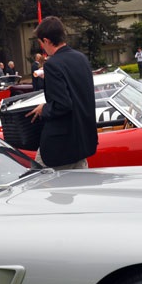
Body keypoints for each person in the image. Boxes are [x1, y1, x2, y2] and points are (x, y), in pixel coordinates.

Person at [25, 16, 97, 169]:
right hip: (82, 141)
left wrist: (44, 108)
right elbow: (78, 96)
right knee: (81, 188)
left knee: (39, 185)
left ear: (46, 40)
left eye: (40, 43)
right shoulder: (81, 58)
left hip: (61, 147)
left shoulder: (52, 65)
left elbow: (63, 105)